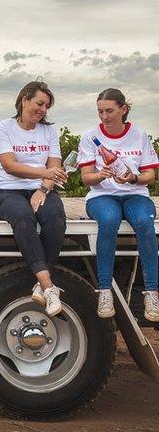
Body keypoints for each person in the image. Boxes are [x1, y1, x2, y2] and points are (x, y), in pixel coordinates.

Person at [77, 88, 159, 320]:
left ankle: (151, 292)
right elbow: (86, 178)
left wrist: (132, 178)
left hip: (135, 194)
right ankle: (105, 290)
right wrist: (101, 175)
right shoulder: (90, 137)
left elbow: (149, 177)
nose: (104, 116)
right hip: (102, 196)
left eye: (110, 111)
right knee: (109, 220)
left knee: (144, 223)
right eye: (100, 111)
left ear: (123, 110)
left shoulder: (140, 135)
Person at [0, 80, 68, 316]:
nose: (43, 109)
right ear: (24, 100)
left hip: (40, 188)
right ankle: (48, 286)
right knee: (23, 216)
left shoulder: (48, 132)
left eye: (46, 106)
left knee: (55, 216)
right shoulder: (4, 127)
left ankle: (40, 284)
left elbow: (55, 166)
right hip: (7, 191)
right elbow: (10, 166)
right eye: (39, 103)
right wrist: (45, 173)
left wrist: (43, 189)